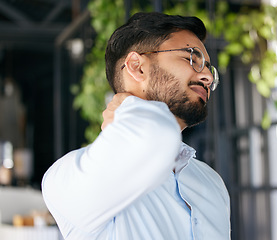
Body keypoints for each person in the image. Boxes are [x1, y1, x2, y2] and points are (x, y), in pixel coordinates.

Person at [42, 12, 230, 240]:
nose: (208, 77)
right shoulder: (66, 179)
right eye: (192, 58)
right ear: (136, 67)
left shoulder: (211, 182)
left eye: (209, 69)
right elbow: (152, 136)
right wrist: (127, 104)